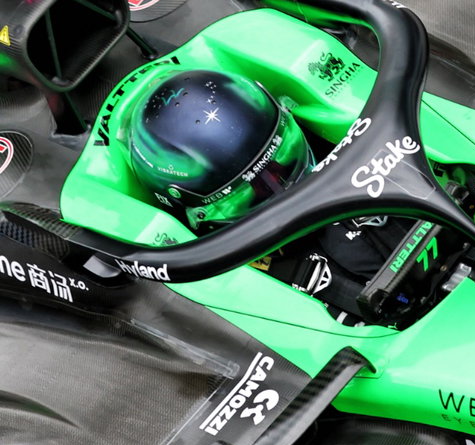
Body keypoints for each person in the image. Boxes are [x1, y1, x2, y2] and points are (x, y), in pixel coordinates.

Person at [125, 67, 415, 324]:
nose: (284, 189)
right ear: (193, 210)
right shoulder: (240, 290)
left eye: (282, 161)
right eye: (249, 191)